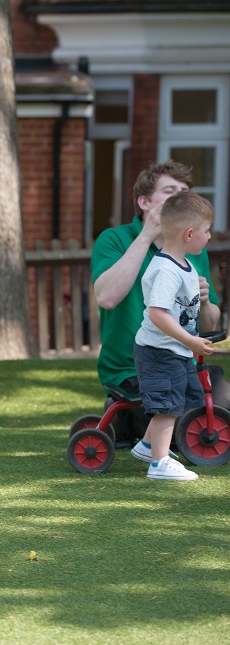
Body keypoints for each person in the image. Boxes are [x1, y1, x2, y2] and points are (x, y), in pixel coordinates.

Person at [91, 160, 225, 448]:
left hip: (182, 363)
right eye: (169, 191)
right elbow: (107, 298)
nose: (178, 197)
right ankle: (123, 416)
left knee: (218, 417)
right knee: (186, 434)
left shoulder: (193, 249)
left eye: (184, 192)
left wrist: (202, 301)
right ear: (144, 202)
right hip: (132, 370)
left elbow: (209, 322)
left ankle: (130, 421)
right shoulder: (114, 239)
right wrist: (147, 235)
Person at [132, 191, 216, 480]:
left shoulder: (185, 266)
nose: (210, 236)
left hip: (174, 349)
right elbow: (157, 313)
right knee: (166, 404)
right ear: (190, 234)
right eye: (206, 231)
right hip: (159, 350)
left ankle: (146, 446)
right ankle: (158, 463)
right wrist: (190, 340)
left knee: (178, 399)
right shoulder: (167, 270)